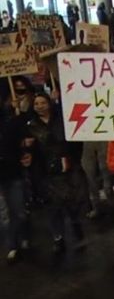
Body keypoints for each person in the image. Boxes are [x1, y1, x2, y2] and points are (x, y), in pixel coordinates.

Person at [23, 93, 87, 257]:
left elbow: (74, 142)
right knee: (52, 207)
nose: (40, 106)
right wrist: (26, 146)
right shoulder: (30, 126)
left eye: (43, 102)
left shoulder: (62, 121)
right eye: (36, 103)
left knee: (73, 203)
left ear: (49, 103)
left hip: (67, 168)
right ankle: (58, 238)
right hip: (46, 171)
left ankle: (77, 230)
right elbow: (29, 151)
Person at [1, 95, 27, 263]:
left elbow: (22, 132)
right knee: (4, 214)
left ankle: (23, 235)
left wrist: (19, 111)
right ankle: (12, 245)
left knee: (18, 210)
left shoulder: (10, 122)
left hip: (13, 172)